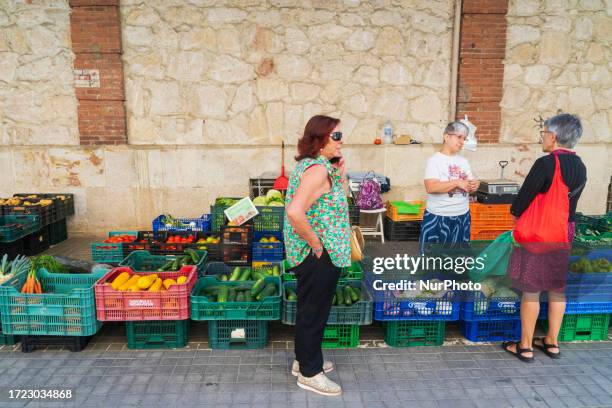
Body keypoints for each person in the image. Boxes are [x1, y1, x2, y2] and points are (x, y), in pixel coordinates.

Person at [502, 113, 587, 362]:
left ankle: (525, 346)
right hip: (564, 232)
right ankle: (552, 341)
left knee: (532, 289)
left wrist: (517, 215)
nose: (543, 138)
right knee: (557, 289)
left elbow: (521, 202)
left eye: (544, 133)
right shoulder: (580, 165)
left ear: (553, 135)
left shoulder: (546, 163)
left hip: (541, 234)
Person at [283, 115, 351, 396]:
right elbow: (294, 211)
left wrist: (341, 174)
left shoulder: (315, 167)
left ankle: (304, 360)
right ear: (319, 140)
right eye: (335, 136)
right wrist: (316, 244)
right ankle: (311, 373)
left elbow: (332, 201)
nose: (341, 141)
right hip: (319, 254)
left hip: (316, 253)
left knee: (309, 309)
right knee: (314, 312)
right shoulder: (317, 171)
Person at [419, 121, 479, 253]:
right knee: (433, 260)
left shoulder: (464, 161)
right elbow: (431, 187)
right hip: (438, 218)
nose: (462, 141)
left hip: (462, 216)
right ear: (446, 137)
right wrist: (457, 183)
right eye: (459, 137)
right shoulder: (434, 161)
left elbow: (469, 184)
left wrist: (474, 185)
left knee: (458, 260)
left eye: (464, 138)